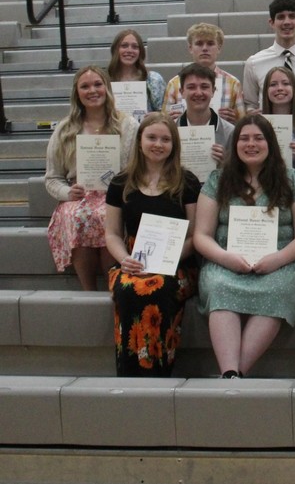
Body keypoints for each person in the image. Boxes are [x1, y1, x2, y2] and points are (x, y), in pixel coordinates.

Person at [194, 114, 295, 378]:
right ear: (234, 145)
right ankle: (230, 373)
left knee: (278, 289)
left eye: (259, 138)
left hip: (282, 261)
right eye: (244, 138)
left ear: (270, 143)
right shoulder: (218, 179)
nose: (251, 144)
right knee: (218, 286)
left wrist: (276, 260)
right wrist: (227, 259)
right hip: (227, 259)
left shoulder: (294, 179)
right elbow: (201, 235)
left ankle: (234, 375)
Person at [105, 114, 200, 377]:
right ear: (139, 142)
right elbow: (112, 233)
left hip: (177, 262)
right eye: (152, 137)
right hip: (132, 260)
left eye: (165, 139)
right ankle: (129, 372)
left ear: (174, 145)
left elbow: (195, 236)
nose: (158, 144)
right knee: (127, 288)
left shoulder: (188, 182)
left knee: (158, 287)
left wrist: (166, 260)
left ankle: (158, 371)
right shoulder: (120, 183)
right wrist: (125, 259)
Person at [45, 66, 139, 291]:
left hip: (117, 194)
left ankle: (110, 285)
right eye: (85, 86)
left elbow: (138, 170)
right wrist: (67, 193)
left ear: (107, 88)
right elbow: (52, 178)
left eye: (98, 84)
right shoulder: (65, 129)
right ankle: (88, 291)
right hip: (79, 196)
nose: (92, 90)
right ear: (77, 93)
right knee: (78, 214)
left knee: (107, 214)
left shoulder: (128, 125)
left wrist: (122, 191)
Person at [162, 22, 244, 123]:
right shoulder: (174, 84)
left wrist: (236, 120)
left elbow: (243, 124)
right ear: (190, 48)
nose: (205, 48)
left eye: (210, 43)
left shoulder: (233, 84)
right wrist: (169, 120)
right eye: (199, 43)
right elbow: (164, 124)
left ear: (219, 48)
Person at [259, 66, 295, 182]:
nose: (280, 88)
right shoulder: (255, 126)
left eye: (286, 83)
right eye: (273, 84)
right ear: (266, 90)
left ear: (294, 89)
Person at [175, 63, 234, 168]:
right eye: (191, 87)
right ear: (182, 92)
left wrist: (226, 164)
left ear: (213, 91)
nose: (198, 93)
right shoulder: (171, 130)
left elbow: (238, 176)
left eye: (204, 87)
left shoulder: (230, 133)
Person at [107, 29, 166, 114]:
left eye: (135, 47)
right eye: (124, 46)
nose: (129, 50)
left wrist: (154, 116)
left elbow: (164, 114)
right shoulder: (104, 80)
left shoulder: (154, 79)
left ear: (140, 51)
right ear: (115, 50)